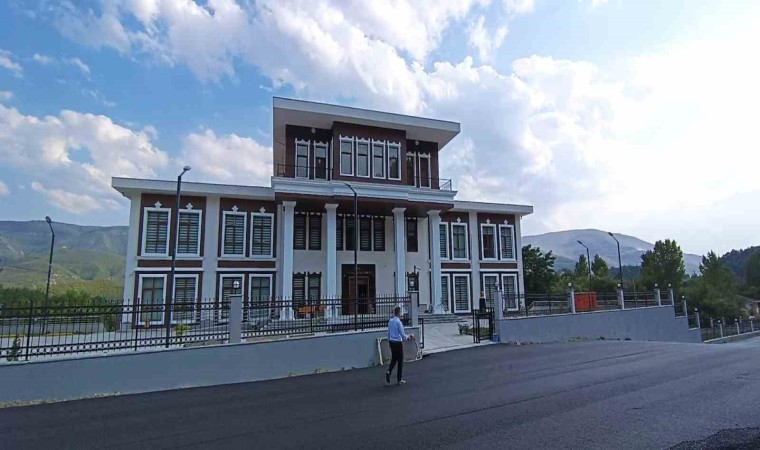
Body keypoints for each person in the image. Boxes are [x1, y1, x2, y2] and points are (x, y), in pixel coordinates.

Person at [386, 306, 412, 385]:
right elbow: (403, 334)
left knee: (394, 358)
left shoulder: (390, 321)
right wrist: (408, 337)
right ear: (399, 313)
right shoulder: (399, 322)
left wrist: (389, 340)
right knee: (400, 360)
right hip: (398, 343)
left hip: (391, 342)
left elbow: (388, 332)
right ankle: (399, 379)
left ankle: (389, 371)